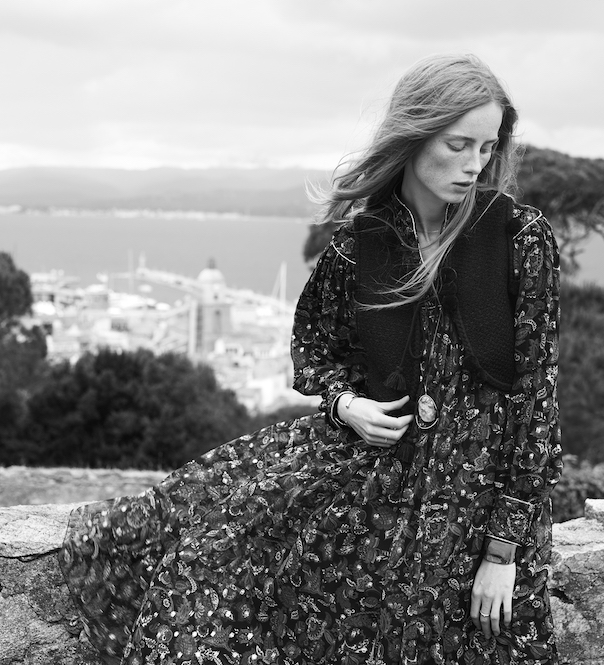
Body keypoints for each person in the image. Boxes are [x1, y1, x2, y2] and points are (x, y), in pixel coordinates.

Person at [60, 53, 562, 665]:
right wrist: (348, 406)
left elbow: (536, 407)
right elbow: (317, 354)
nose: (474, 165)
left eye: (486, 147)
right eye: (458, 145)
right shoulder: (357, 246)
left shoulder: (519, 238)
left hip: (476, 508)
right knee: (192, 552)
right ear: (414, 135)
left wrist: (503, 551)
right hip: (374, 479)